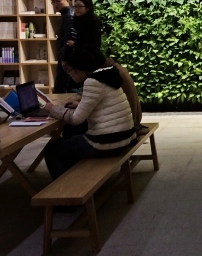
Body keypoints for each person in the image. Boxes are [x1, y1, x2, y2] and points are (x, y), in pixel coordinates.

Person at [43, 49, 136, 180]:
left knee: (51, 150)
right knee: (70, 140)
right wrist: (79, 105)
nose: (69, 75)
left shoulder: (92, 82)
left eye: (69, 71)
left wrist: (53, 109)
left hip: (107, 141)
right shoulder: (106, 75)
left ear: (79, 69)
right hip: (125, 135)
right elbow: (102, 104)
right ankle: (74, 180)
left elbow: (76, 119)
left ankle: (67, 187)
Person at [51, 0, 74, 93]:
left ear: (67, 0)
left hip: (68, 59)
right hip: (65, 58)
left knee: (61, 90)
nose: (56, 4)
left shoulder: (69, 15)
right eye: (53, 2)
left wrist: (64, 59)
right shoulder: (65, 14)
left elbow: (70, 38)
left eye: (58, 1)